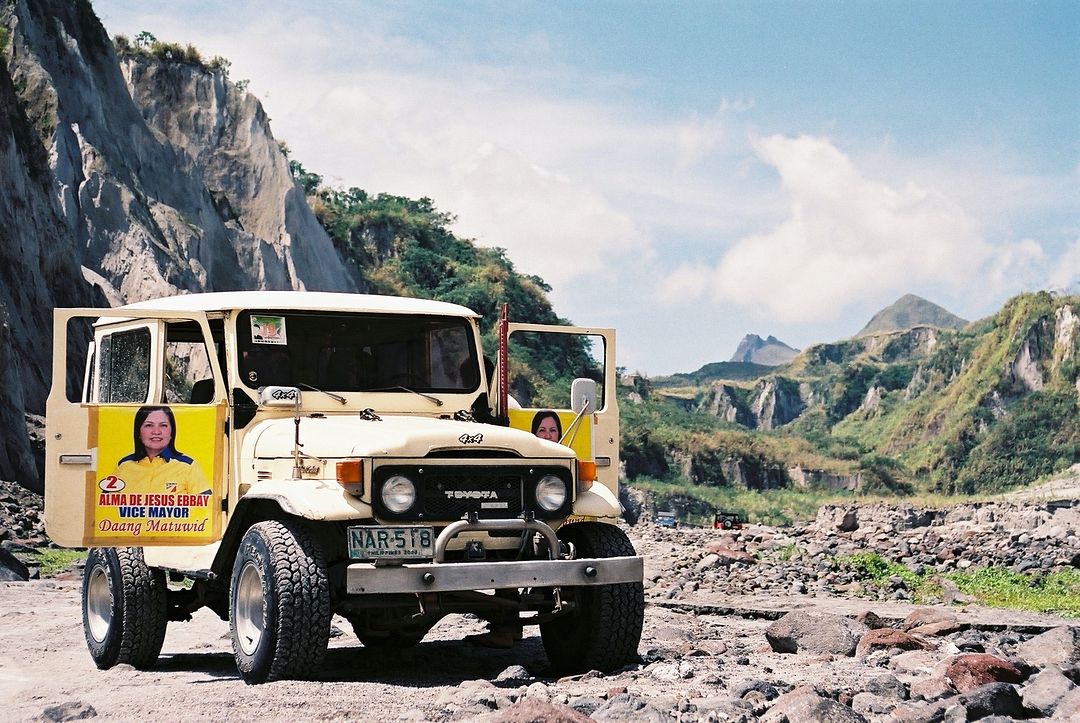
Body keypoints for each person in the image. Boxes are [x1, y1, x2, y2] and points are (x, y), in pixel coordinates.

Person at [110, 405, 211, 496]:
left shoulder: (188, 466)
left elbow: (205, 508)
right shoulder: (124, 465)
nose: (156, 431)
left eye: (163, 425)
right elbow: (105, 507)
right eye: (149, 425)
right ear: (138, 432)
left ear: (172, 432)